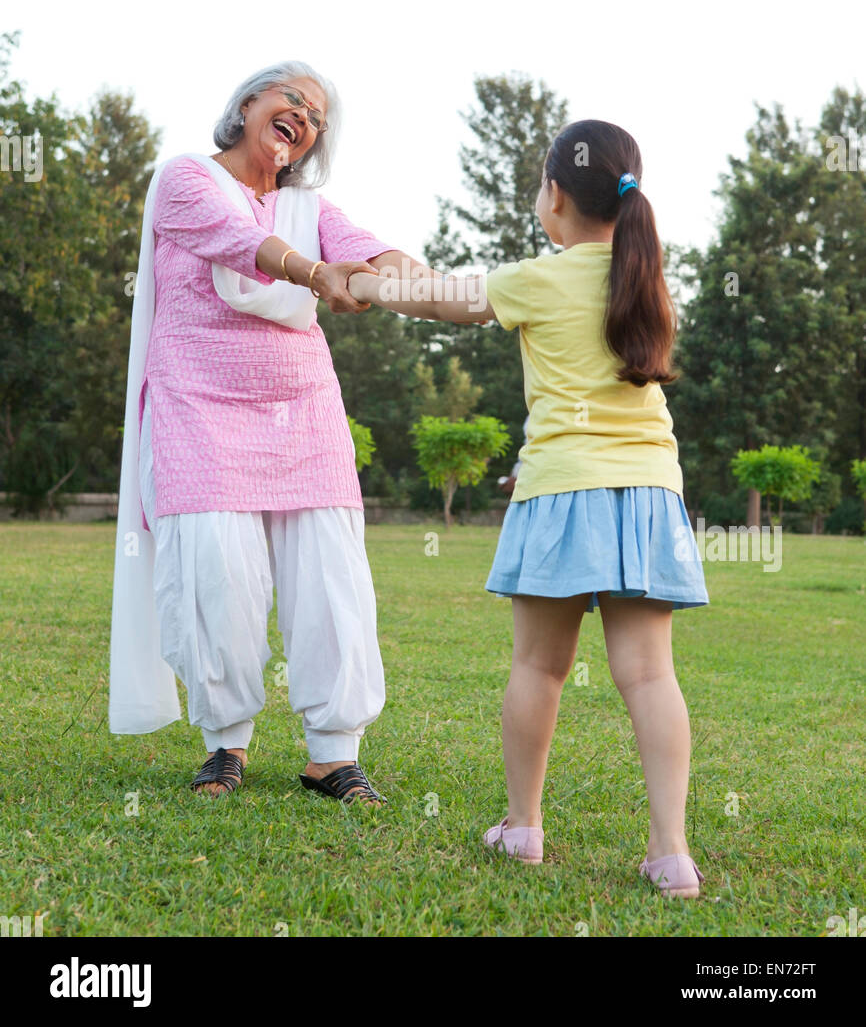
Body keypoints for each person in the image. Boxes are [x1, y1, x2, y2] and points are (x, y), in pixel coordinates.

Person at [346, 119, 709, 896]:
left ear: (553, 197)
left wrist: (367, 282)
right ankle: (672, 853)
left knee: (540, 668)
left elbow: (442, 300)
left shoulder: (537, 278)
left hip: (560, 489)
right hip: (649, 493)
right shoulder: (648, 277)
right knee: (649, 677)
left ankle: (523, 828)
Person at [109, 61, 435, 803]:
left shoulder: (309, 208)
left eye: (316, 116)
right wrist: (318, 275)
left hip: (303, 413)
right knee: (217, 576)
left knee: (331, 579)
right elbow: (234, 240)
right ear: (249, 102)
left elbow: (374, 255)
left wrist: (435, 288)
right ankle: (225, 743)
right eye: (293, 99)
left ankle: (333, 753)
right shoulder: (185, 179)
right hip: (200, 407)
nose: (304, 117)